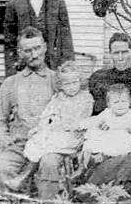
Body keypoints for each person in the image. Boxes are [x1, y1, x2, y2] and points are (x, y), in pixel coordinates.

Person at [7, 62, 93, 197]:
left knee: (46, 146)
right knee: (38, 140)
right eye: (67, 84)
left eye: (74, 82)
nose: (71, 87)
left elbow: (78, 122)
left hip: (73, 137)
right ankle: (25, 178)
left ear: (80, 81)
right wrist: (41, 127)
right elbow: (47, 114)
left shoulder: (85, 99)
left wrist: (57, 124)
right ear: (61, 85)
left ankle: (24, 177)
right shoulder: (59, 97)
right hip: (57, 134)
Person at [0, 26, 57, 194]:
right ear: (20, 52)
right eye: (28, 50)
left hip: (48, 146)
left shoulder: (57, 80)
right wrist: (3, 137)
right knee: (0, 169)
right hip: (19, 146)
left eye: (37, 48)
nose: (34, 55)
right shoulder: (11, 83)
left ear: (45, 47)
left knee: (49, 169)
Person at [3, 0, 74, 77]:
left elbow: (66, 42)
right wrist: (11, 75)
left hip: (51, 69)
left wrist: (67, 71)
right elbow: (9, 45)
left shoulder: (57, 4)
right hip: (24, 70)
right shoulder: (14, 5)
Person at [81, 84, 131, 164]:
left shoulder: (130, 115)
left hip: (124, 139)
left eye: (123, 101)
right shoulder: (107, 112)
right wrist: (82, 125)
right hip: (109, 137)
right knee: (94, 133)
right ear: (109, 104)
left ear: (129, 102)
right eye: (116, 102)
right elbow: (95, 120)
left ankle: (106, 157)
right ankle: (90, 158)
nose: (120, 105)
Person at [89, 32, 131, 131]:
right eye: (116, 53)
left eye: (124, 52)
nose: (120, 57)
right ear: (110, 54)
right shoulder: (98, 78)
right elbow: (94, 111)